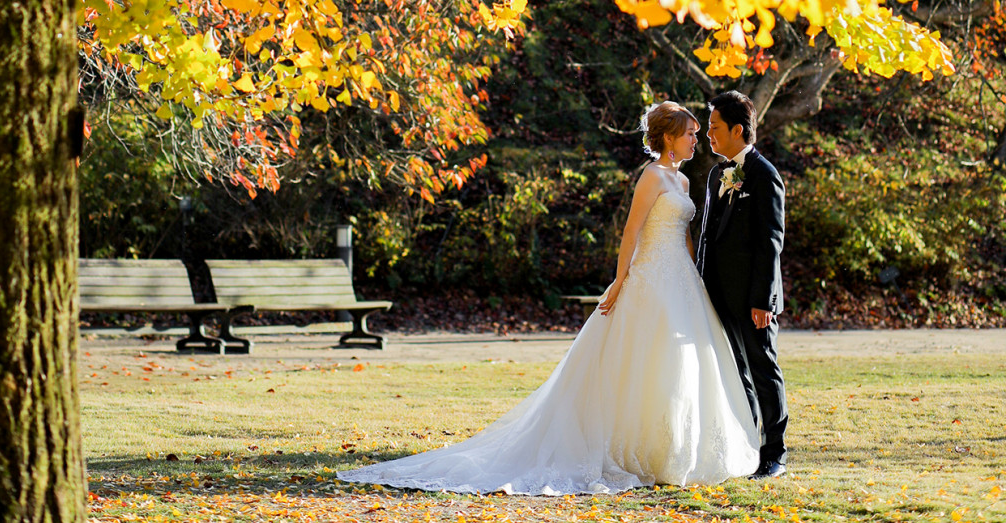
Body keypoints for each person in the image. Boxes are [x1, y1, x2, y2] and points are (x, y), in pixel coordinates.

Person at [337, 101, 759, 495]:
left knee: (681, 365)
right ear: (668, 138)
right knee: (646, 362)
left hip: (681, 280)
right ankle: (640, 451)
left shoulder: (684, 180)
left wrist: (696, 277)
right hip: (650, 279)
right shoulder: (651, 177)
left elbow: (684, 234)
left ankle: (674, 450)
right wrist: (619, 280)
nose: (695, 140)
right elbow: (632, 232)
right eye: (688, 133)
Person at [696, 90, 788, 479]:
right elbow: (707, 234)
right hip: (716, 293)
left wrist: (763, 300)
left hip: (752, 299)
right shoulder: (718, 173)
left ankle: (775, 453)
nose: (708, 135)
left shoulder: (765, 175)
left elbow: (771, 240)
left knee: (763, 370)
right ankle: (749, 444)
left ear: (737, 129)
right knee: (736, 373)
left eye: (715, 127)